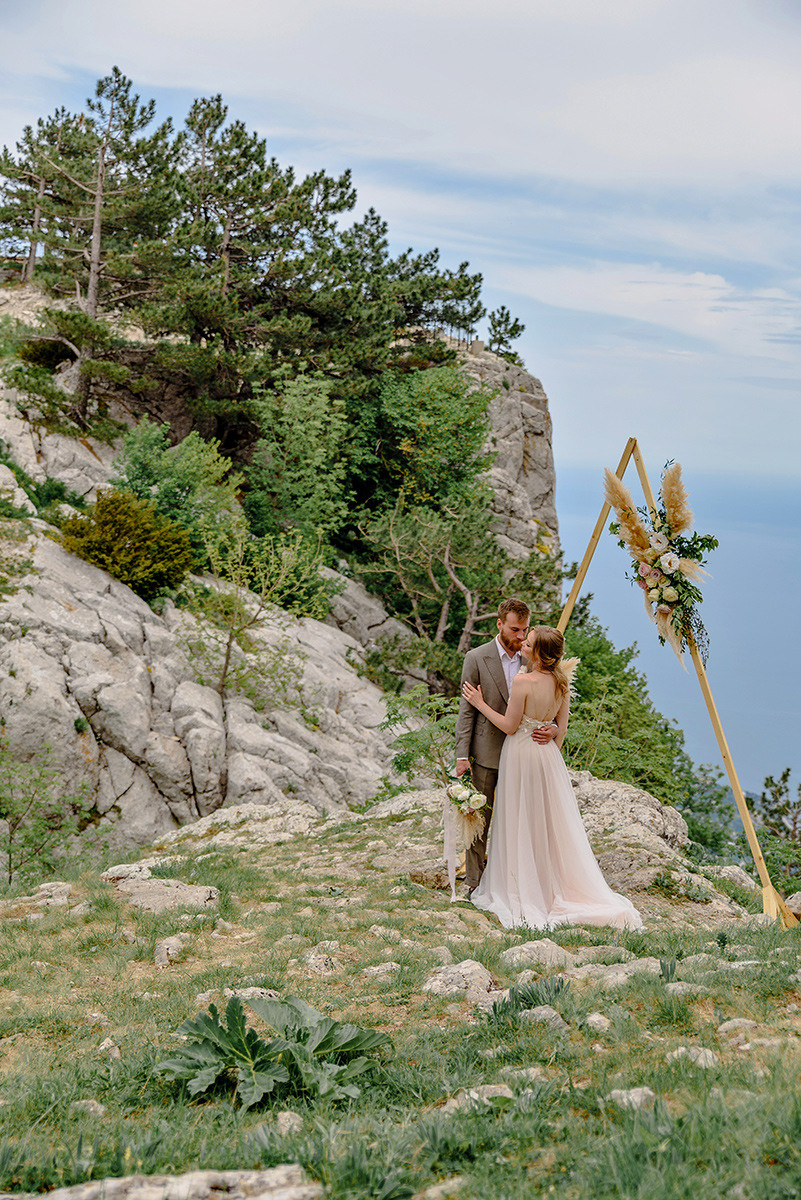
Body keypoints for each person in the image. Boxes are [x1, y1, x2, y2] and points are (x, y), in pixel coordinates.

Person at [461, 624, 642, 931]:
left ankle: (524, 887)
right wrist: (552, 732)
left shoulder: (523, 681)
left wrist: (480, 704)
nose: (522, 647)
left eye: (528, 645)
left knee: (520, 819)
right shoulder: (561, 683)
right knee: (546, 822)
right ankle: (547, 884)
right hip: (547, 758)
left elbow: (508, 725)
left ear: (541, 655)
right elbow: (561, 731)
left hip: (520, 754)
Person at [454, 599, 558, 895]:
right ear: (499, 624)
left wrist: (554, 728)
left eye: (525, 629)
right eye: (515, 629)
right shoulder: (476, 658)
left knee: (520, 818)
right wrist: (462, 755)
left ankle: (516, 880)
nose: (522, 636)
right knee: (478, 818)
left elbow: (555, 697)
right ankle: (474, 880)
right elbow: (467, 711)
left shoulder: (535, 656)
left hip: (525, 753)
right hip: (487, 751)